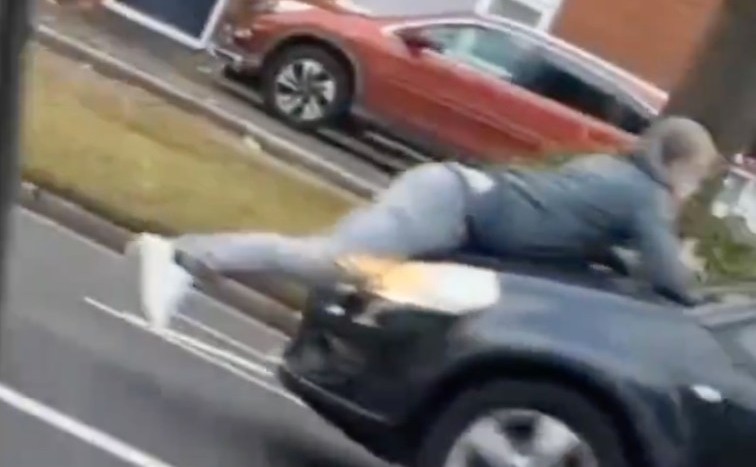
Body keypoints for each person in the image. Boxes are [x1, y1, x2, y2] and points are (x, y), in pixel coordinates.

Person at [137, 116, 719, 331]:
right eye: (698, 177)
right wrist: (685, 273)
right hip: (451, 205)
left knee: (357, 279)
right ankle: (182, 255)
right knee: (334, 263)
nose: (693, 191)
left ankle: (191, 261)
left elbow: (579, 233)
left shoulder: (615, 170)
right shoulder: (646, 196)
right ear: (678, 166)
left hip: (455, 205)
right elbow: (672, 281)